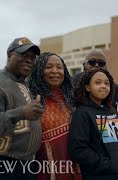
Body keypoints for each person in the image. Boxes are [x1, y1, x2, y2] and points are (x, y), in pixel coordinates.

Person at [0, 37, 44, 180]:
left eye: (32, 57)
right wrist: (22, 112)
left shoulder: (22, 83)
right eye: (24, 55)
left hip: (24, 166)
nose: (29, 60)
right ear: (9, 56)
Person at [68, 68, 118, 180]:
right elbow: (78, 150)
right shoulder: (82, 113)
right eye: (97, 83)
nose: (103, 86)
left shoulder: (111, 112)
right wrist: (108, 164)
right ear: (87, 87)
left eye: (106, 83)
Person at [28, 52, 81, 180]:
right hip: (44, 171)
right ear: (39, 70)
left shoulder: (74, 99)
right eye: (49, 67)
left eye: (59, 67)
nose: (55, 71)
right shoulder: (30, 98)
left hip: (75, 170)